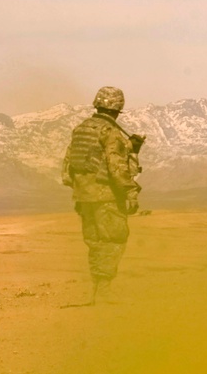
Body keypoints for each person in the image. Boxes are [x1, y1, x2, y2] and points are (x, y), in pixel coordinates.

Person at [62, 86, 145, 304]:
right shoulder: (110, 132)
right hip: (106, 198)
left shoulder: (81, 130)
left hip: (83, 198)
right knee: (113, 240)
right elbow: (116, 167)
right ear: (118, 109)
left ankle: (97, 290)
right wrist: (130, 192)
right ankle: (104, 291)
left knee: (95, 242)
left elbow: (68, 168)